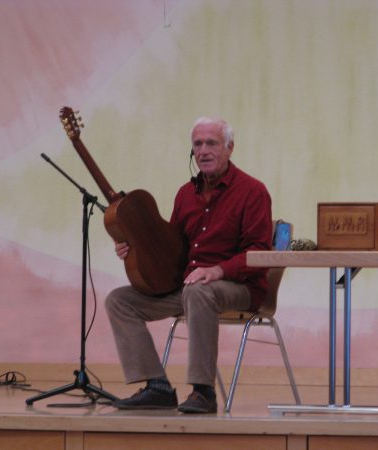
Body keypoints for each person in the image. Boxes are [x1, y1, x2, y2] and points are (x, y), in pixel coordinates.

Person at [105, 116, 272, 414]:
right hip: (189, 287)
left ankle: (203, 392)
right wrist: (134, 249)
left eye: (212, 143)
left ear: (230, 148)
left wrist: (218, 270)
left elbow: (259, 253)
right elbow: (174, 248)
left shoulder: (252, 191)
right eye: (198, 144)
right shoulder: (185, 194)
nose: (204, 150)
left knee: (198, 291)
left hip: (240, 287)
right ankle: (157, 387)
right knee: (119, 300)